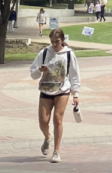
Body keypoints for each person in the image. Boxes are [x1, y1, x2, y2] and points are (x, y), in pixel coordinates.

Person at [29, 28, 80, 163]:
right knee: (43, 121)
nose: (55, 44)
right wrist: (40, 70)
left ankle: (56, 151)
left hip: (62, 90)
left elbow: (74, 75)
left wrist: (76, 94)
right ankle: (47, 138)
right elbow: (33, 73)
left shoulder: (69, 54)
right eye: (52, 42)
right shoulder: (45, 52)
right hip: (46, 89)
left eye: (57, 41)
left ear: (62, 40)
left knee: (58, 119)